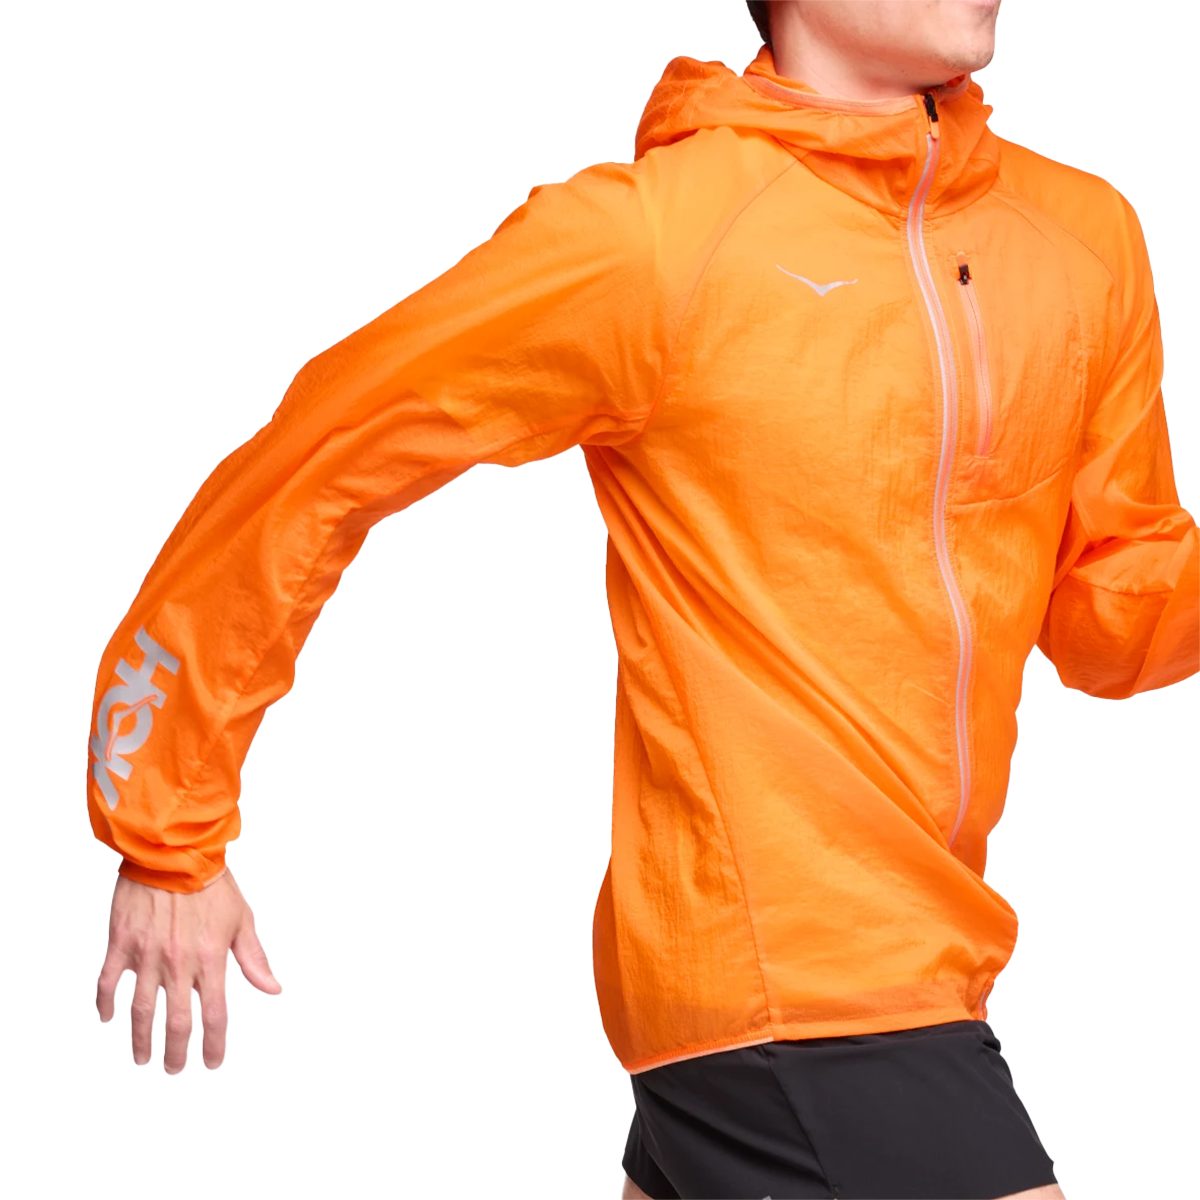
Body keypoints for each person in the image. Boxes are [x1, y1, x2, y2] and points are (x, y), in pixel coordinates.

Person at [89, 0, 1199, 1197]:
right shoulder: (656, 239)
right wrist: (165, 822)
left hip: (923, 958)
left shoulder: (1080, 237)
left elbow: (1109, 615)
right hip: (791, 978)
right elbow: (321, 455)